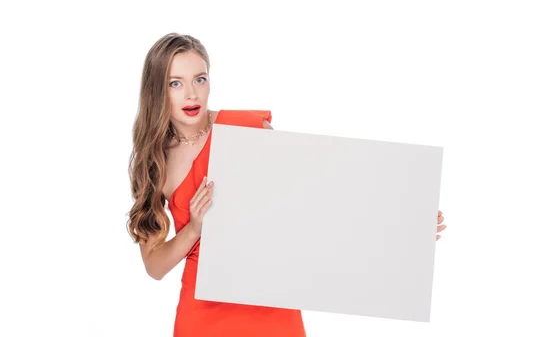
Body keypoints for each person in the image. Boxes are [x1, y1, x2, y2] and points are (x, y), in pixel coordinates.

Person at [126, 32, 447, 336]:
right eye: (175, 83)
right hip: (203, 313)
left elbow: (319, 198)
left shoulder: (245, 129)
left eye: (200, 78)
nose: (191, 94)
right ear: (158, 90)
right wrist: (194, 229)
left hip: (271, 299)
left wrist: (404, 224)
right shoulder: (156, 162)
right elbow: (154, 265)